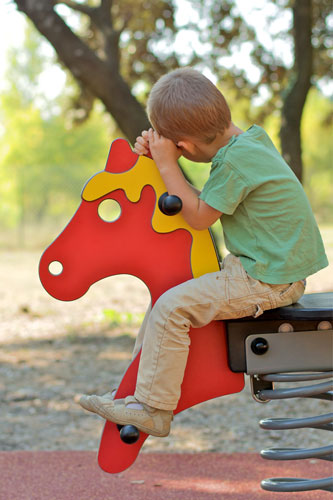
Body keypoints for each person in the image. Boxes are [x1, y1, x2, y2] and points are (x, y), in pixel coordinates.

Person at [78, 67, 328, 437]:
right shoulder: (250, 141)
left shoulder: (232, 163)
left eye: (174, 145)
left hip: (267, 280)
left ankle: (153, 409)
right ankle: (131, 394)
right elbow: (203, 200)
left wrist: (165, 163)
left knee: (172, 308)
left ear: (186, 147)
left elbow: (197, 217)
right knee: (164, 301)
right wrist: (163, 159)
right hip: (266, 270)